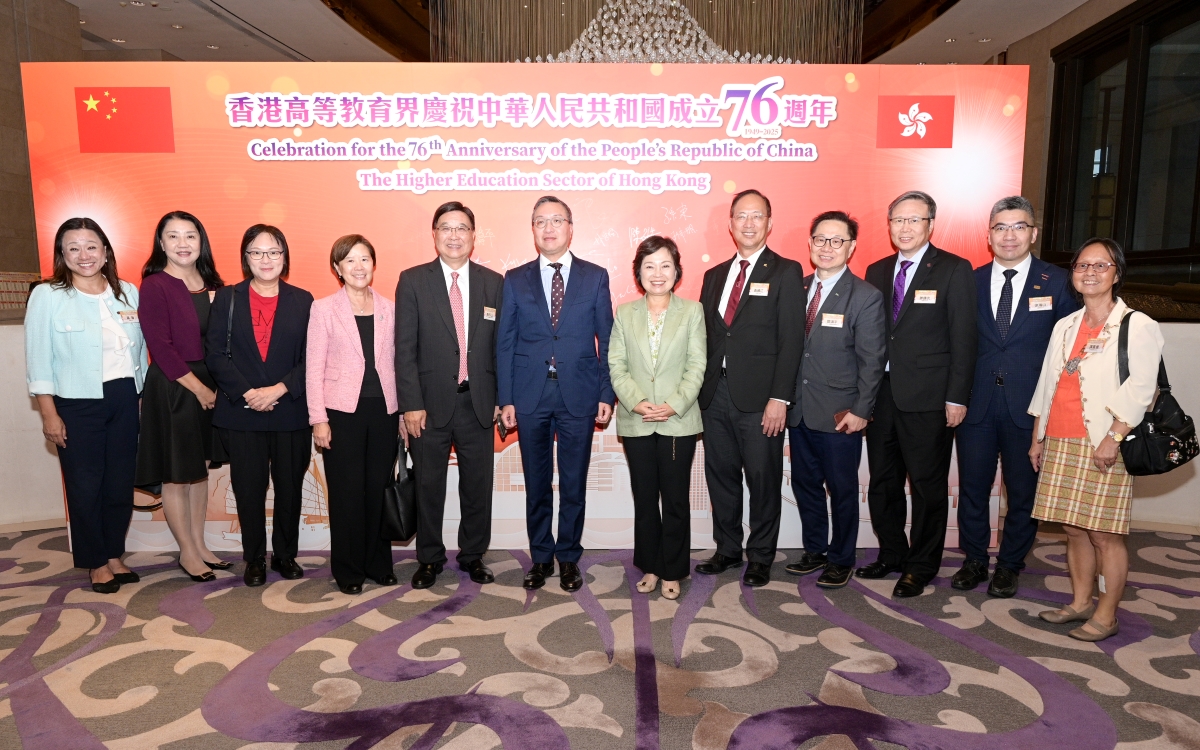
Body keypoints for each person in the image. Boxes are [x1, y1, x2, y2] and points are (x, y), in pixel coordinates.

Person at [1028, 238, 1162, 642]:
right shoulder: (1065, 325)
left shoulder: (1137, 324)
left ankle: (1107, 615)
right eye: (1082, 266)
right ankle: (1080, 602)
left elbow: (1142, 388)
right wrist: (1038, 437)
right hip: (1060, 437)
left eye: (1100, 265)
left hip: (1104, 441)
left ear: (1116, 273)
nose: (1090, 273)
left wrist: (1114, 437)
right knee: (1073, 528)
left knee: (1105, 533)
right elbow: (1048, 384)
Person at [953, 197, 1076, 597]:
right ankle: (974, 559)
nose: (1009, 235)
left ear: (1033, 233)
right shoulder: (969, 281)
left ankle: (1009, 565)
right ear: (988, 235)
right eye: (1001, 227)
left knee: (1023, 493)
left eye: (1019, 227)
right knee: (973, 489)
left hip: (1031, 407)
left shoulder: (1057, 281)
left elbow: (1068, 351)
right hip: (977, 404)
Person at [861, 191, 977, 598]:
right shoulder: (877, 270)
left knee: (927, 486)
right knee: (883, 481)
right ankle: (892, 553)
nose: (905, 227)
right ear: (889, 225)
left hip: (929, 397)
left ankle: (922, 565)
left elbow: (964, 338)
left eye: (914, 220)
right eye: (898, 220)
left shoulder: (953, 269)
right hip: (882, 395)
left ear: (930, 224)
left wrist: (957, 397)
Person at [496, 196, 615, 592]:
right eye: (540, 221)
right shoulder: (515, 279)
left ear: (570, 228)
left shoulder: (595, 276)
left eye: (556, 220)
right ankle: (541, 557)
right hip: (529, 395)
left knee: (574, 483)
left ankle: (568, 558)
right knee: (537, 483)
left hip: (579, 393)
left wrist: (606, 392)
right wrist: (506, 398)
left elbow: (607, 339)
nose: (549, 228)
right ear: (532, 229)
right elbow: (505, 343)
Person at [25, 218, 148, 593]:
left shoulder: (127, 292)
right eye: (73, 247)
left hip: (125, 398)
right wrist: (49, 414)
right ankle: (95, 561)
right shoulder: (48, 295)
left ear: (105, 251)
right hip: (76, 403)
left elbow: (141, 351)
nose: (84, 255)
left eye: (91, 246)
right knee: (85, 485)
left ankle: (113, 554)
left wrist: (142, 399)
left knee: (119, 483)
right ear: (62, 254)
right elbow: (38, 360)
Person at [695, 189, 804, 588]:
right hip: (714, 395)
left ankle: (760, 556)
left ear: (769, 224)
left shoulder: (786, 271)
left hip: (761, 399)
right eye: (741, 216)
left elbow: (792, 340)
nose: (749, 223)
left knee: (762, 479)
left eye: (757, 216)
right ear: (730, 223)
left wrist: (780, 397)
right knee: (720, 476)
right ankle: (727, 549)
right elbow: (706, 336)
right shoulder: (714, 275)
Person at [396, 202, 504, 590]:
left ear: (474, 236)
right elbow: (404, 349)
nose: (454, 236)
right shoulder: (413, 280)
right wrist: (410, 404)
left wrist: (501, 397)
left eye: (461, 228)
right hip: (428, 405)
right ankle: (429, 558)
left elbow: (502, 347)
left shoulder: (494, 282)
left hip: (478, 402)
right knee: (429, 486)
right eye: (446, 228)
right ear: (434, 234)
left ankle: (473, 554)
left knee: (477, 486)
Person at [206, 225, 314, 587]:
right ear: (245, 257)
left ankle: (285, 555)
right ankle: (253, 558)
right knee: (248, 490)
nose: (265, 259)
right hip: (243, 412)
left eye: (273, 252)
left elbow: (312, 357)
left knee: (289, 488)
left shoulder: (303, 300)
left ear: (284, 257)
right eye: (256, 252)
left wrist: (279, 389)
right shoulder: (227, 298)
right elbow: (215, 354)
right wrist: (248, 392)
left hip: (289, 410)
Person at [784, 211, 886, 589]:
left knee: (841, 490)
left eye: (837, 240)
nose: (827, 247)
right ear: (810, 243)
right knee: (805, 485)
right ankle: (815, 550)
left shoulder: (865, 296)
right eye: (820, 239)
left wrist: (862, 410)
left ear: (851, 247)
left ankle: (841, 558)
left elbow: (872, 361)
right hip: (799, 410)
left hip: (840, 414)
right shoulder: (796, 289)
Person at [608, 235, 706, 600]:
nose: (658, 273)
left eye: (666, 265)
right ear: (638, 272)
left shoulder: (692, 311)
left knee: (675, 498)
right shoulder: (625, 313)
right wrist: (636, 402)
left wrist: (674, 403)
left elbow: (697, 365)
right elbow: (616, 364)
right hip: (637, 420)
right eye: (649, 266)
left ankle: (673, 570)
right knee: (645, 497)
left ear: (677, 271)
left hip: (677, 420)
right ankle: (650, 565)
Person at [136, 211, 228, 583]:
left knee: (198, 471)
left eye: (190, 235)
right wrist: (201, 389)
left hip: (210, 383)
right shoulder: (155, 285)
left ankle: (200, 545)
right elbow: (161, 347)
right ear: (161, 243)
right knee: (176, 475)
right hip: (176, 386)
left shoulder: (213, 284)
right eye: (173, 236)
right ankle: (187, 553)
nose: (182, 243)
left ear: (201, 241)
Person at [308, 235, 400, 596]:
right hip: (341, 413)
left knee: (378, 489)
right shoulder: (323, 309)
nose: (358, 267)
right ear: (337, 268)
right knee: (347, 493)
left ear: (373, 264)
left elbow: (398, 364)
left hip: (384, 411)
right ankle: (348, 569)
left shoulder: (390, 308)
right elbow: (313, 369)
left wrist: (402, 414)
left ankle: (378, 564)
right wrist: (318, 418)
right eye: (350, 260)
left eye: (364, 259)